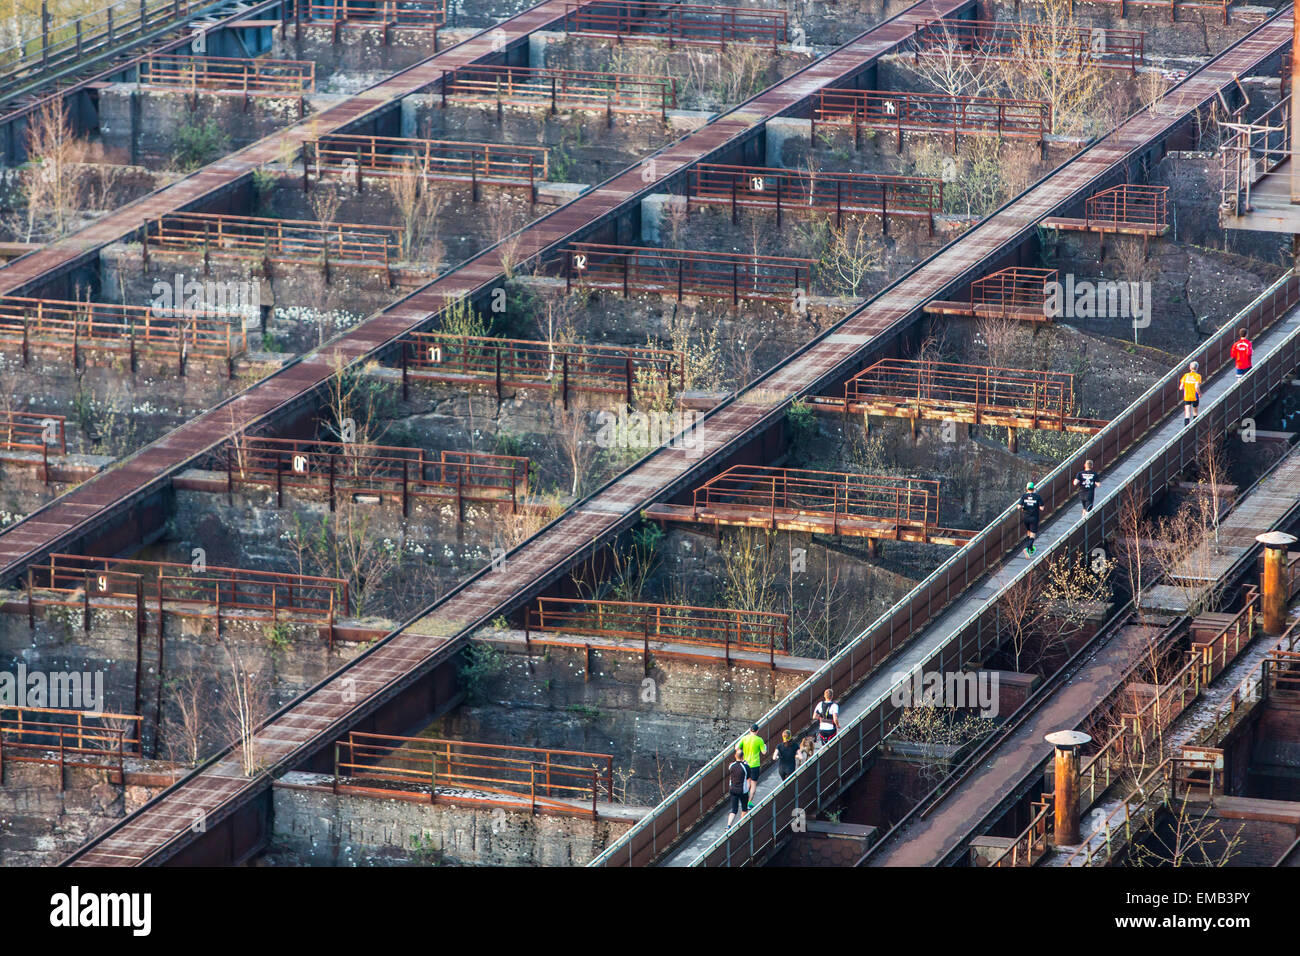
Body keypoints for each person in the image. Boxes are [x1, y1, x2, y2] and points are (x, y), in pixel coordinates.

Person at [739, 723, 766, 809]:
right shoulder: (759, 740)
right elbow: (764, 752)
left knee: (747, 783)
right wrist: (765, 746)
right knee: (753, 784)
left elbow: (736, 748)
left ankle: (744, 801)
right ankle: (749, 802)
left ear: (750, 730)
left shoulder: (744, 738)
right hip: (755, 764)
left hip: (745, 763)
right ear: (757, 731)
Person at [726, 748, 748, 826]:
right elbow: (748, 776)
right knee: (744, 808)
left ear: (735, 756)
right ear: (743, 756)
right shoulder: (745, 766)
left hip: (733, 789)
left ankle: (728, 826)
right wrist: (746, 764)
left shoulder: (731, 766)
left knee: (734, 809)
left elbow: (730, 767)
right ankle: (742, 824)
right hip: (743, 791)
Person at [1019, 480, 1042, 556]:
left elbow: (1019, 506)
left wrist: (1024, 506)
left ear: (1026, 488)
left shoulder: (1024, 496)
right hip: (1034, 518)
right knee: (1033, 534)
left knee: (1028, 531)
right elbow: (1042, 508)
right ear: (1033, 488)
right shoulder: (1037, 496)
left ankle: (1031, 549)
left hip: (1025, 517)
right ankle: (1028, 548)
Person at [1180, 361, 1202, 425]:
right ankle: (1195, 425)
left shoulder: (1186, 375)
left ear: (1190, 368)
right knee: (1195, 411)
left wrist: (1186, 388)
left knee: (1187, 412)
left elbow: (1181, 387)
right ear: (1197, 368)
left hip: (1187, 396)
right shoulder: (1198, 376)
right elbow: (1196, 387)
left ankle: (1186, 427)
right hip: (1194, 396)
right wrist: (1199, 393)